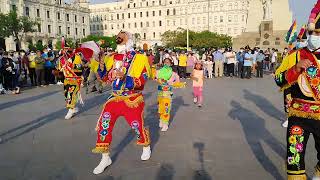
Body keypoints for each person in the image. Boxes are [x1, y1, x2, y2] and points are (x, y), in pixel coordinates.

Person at [92, 31, 152, 175]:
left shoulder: (139, 58)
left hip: (132, 98)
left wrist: (126, 77)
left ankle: (146, 146)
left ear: (129, 39)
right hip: (114, 98)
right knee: (103, 125)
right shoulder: (111, 57)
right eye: (118, 36)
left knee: (136, 125)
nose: (119, 37)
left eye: (123, 35)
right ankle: (105, 157)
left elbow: (143, 80)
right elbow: (104, 78)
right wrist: (100, 63)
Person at [274, 3, 320, 178]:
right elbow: (278, 80)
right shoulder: (295, 56)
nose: (314, 37)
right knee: (294, 159)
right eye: (311, 33)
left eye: (318, 33)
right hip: (298, 117)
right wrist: (295, 69)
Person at [156, 58, 183, 132]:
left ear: (171, 64)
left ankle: (165, 124)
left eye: (168, 62)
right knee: (160, 109)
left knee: (166, 109)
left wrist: (168, 82)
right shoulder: (159, 71)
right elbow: (156, 79)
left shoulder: (174, 74)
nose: (166, 64)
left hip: (168, 94)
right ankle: (161, 120)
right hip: (160, 93)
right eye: (165, 62)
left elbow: (177, 83)